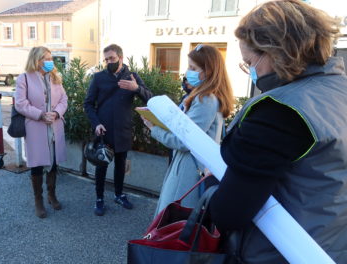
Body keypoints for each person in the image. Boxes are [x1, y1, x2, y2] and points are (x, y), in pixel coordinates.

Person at [205, 1, 347, 262]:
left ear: (275, 51)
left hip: (276, 255)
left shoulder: (281, 111)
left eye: (250, 62)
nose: (251, 72)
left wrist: (213, 181)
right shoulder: (339, 91)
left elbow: (229, 213)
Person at [142, 44, 234, 215]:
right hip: (191, 168)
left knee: (171, 223)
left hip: (188, 172)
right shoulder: (206, 96)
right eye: (188, 66)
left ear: (209, 71)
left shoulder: (205, 99)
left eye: (193, 68)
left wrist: (154, 128)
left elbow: (184, 141)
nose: (188, 71)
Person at [84, 44, 152, 216]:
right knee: (101, 166)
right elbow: (88, 104)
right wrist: (96, 123)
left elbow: (150, 98)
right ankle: (99, 198)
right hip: (103, 130)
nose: (108, 62)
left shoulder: (132, 77)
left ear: (121, 58)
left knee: (121, 165)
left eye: (112, 58)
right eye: (106, 59)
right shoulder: (99, 78)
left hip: (123, 129)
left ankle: (119, 195)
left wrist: (136, 88)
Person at [15, 46, 68, 219]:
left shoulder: (55, 77)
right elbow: (20, 103)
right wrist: (39, 115)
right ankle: (38, 200)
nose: (49, 61)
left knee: (53, 162)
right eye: (46, 58)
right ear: (36, 60)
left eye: (50, 58)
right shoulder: (24, 78)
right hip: (36, 127)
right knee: (37, 164)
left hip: (55, 125)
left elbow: (64, 99)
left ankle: (52, 194)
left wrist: (57, 112)